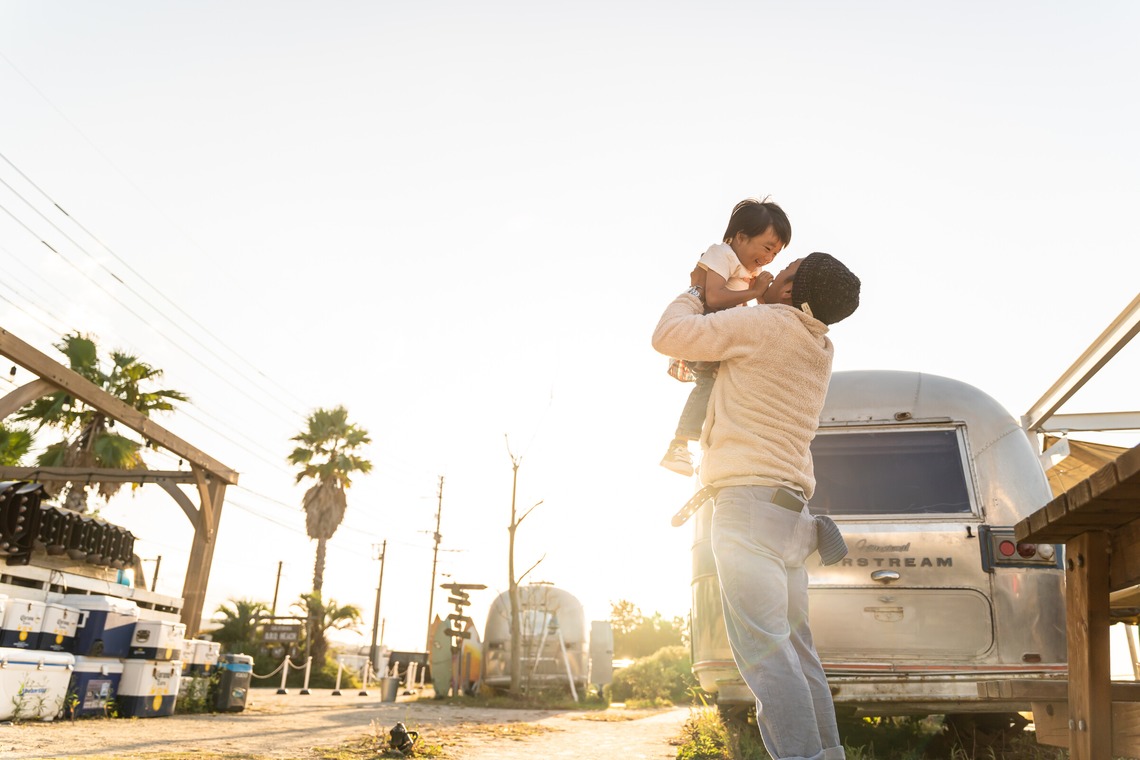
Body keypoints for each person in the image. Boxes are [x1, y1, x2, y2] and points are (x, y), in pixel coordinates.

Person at [651, 252, 861, 760]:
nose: (770, 275)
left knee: (766, 658)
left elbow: (667, 335)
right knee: (798, 652)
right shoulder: (820, 346)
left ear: (790, 294)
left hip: (747, 509)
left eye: (782, 273)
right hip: (792, 518)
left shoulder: (765, 324)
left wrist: (703, 290)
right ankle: (825, 754)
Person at [659, 198, 792, 477]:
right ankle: (680, 445)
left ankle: (705, 445)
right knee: (709, 383)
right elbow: (715, 296)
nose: (769, 258)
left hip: (723, 334)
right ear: (741, 237)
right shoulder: (722, 253)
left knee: (723, 389)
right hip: (707, 327)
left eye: (776, 254)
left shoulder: (746, 270)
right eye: (767, 247)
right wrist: (755, 292)